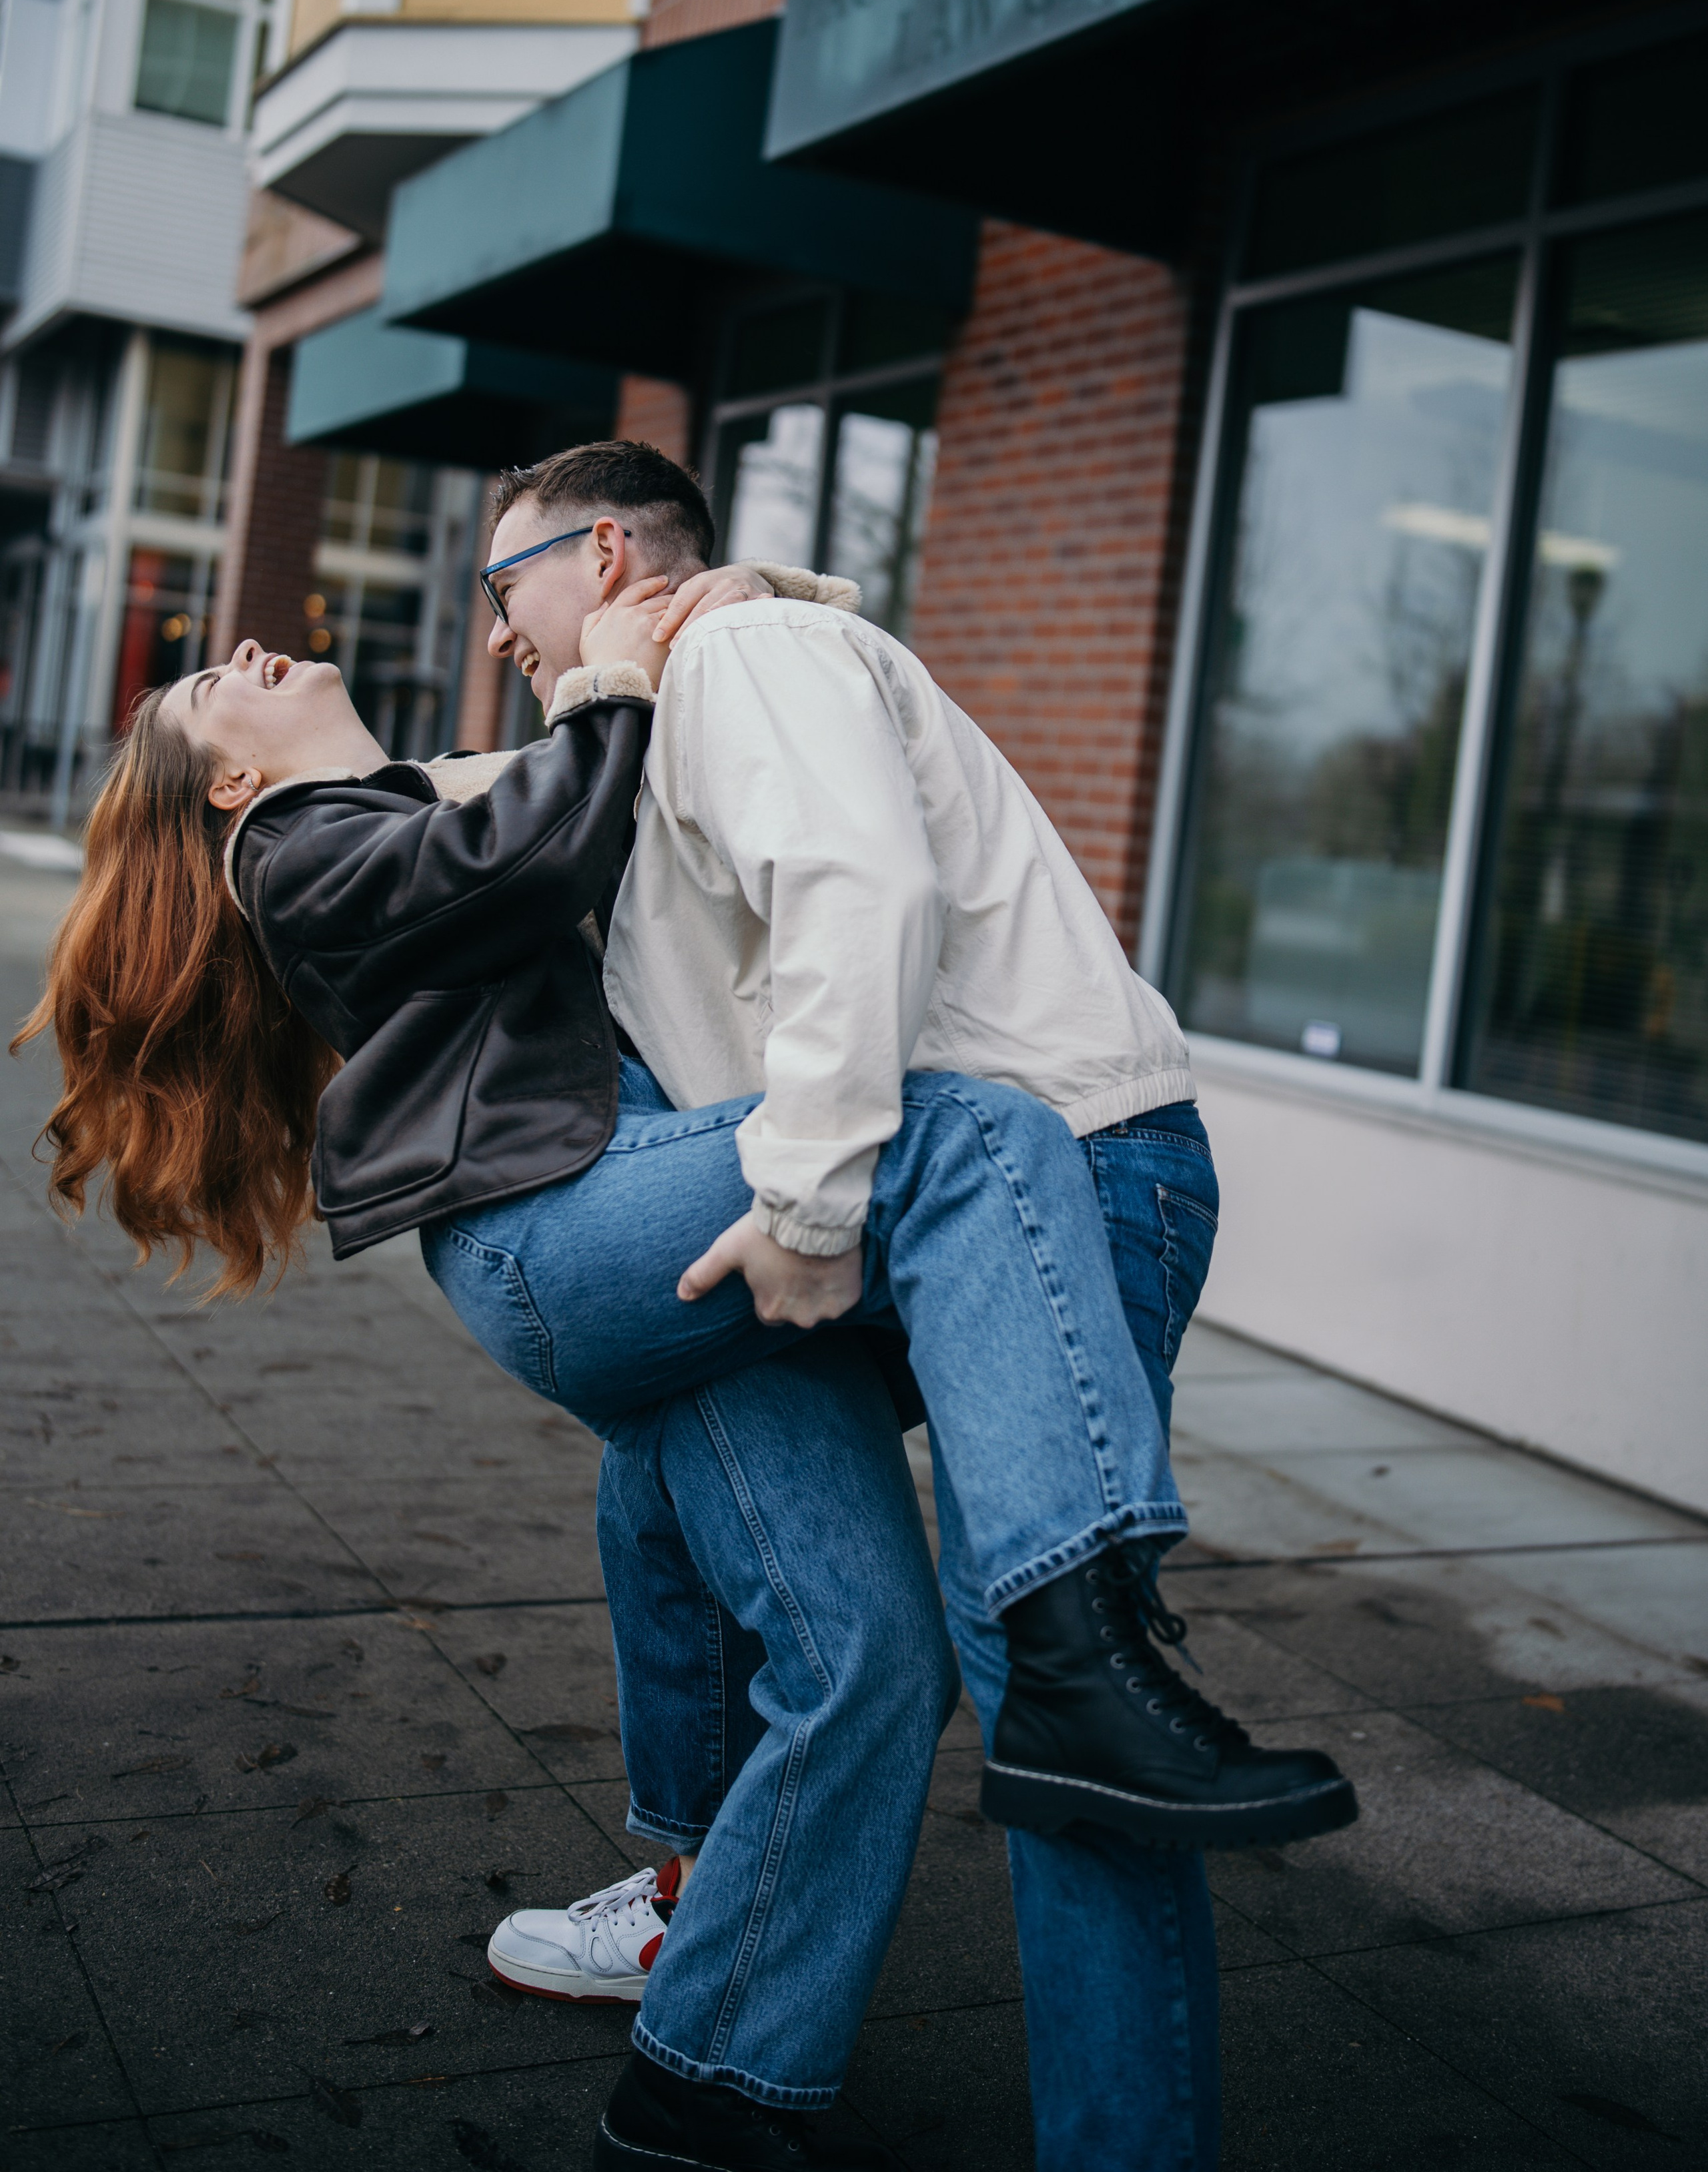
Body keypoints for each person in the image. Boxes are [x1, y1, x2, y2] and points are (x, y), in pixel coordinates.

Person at [16, 593, 1350, 2172]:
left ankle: (703, 2088)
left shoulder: (391, 803)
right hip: (562, 1231)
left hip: (647, 1241)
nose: (242, 653)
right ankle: (1075, 1649)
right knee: (980, 1128)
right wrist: (610, 677)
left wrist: (746, 604)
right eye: (204, 691)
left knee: (866, 1653)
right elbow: (540, 837)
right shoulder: (293, 849)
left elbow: (550, 773)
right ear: (229, 788)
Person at [469, 441, 1358, 2172]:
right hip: (895, 1187)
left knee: (1055, 1690)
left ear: (607, 553)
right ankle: (700, 1906)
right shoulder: (648, 718)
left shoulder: (743, 652)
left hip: (1059, 1175)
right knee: (668, 1450)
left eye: (506, 588)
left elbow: (858, 894)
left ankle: (1127, 2146)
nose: (496, 628)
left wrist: (799, 1200)